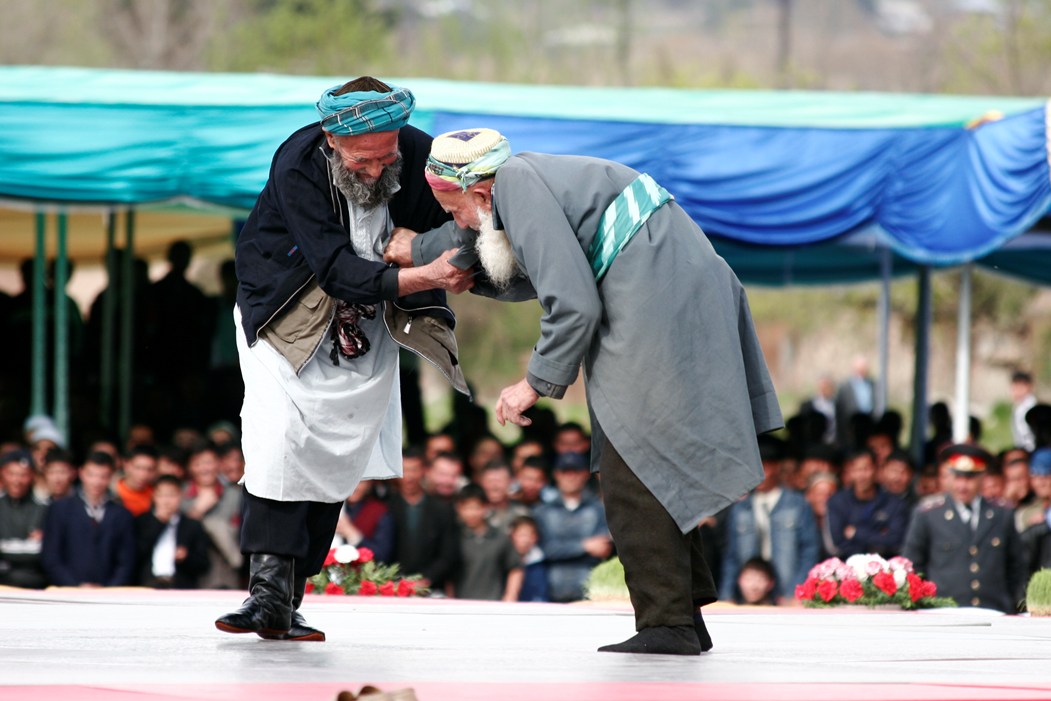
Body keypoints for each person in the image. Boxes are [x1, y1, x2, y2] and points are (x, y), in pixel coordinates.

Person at [387, 127, 782, 655]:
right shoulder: (518, 182)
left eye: (453, 210)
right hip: (665, 283)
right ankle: (680, 614)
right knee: (646, 453)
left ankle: (667, 624)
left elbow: (572, 302)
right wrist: (421, 250)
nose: (456, 222)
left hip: (656, 293)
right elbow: (502, 255)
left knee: (630, 456)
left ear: (479, 193)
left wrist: (533, 383)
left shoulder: (516, 186)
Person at [215, 77, 474, 642]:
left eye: (387, 157)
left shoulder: (420, 154)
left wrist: (429, 250)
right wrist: (425, 273)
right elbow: (333, 267)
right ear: (332, 140)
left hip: (371, 320)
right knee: (278, 437)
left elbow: (460, 221)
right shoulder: (298, 164)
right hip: (287, 312)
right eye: (362, 160)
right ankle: (266, 591)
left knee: (337, 453)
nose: (377, 171)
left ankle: (288, 598)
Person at [902, 444, 1026, 613]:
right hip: (942, 612)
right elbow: (913, 566)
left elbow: (1017, 568)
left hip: (994, 611)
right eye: (957, 477)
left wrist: (1013, 604)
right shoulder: (928, 514)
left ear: (983, 477)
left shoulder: (1002, 514)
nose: (962, 486)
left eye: (970, 478)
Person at [720, 436, 820, 605]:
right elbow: (731, 556)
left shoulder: (797, 504)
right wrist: (727, 594)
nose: (758, 474)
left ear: (777, 467)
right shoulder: (740, 509)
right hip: (749, 596)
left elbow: (809, 552)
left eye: (764, 468)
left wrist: (797, 591)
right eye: (754, 468)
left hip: (787, 593)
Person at [40, 451, 136, 587]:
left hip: (110, 592)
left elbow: (126, 561)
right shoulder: (60, 509)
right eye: (91, 475)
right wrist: (75, 586)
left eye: (103, 476)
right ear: (81, 473)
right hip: (67, 590)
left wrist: (109, 589)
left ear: (111, 477)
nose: (96, 482)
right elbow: (51, 556)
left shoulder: (122, 514)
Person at [531, 451, 613, 603]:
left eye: (575, 471)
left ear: (585, 474)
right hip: (550, 591)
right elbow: (545, 550)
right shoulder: (541, 511)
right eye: (565, 472)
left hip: (590, 591)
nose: (570, 477)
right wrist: (585, 546)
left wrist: (562, 549)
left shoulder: (599, 509)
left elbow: (602, 549)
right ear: (556, 475)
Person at [388, 450, 461, 593]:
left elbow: (449, 554)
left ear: (424, 471)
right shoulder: (387, 507)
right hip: (392, 586)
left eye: (414, 470)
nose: (409, 476)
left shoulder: (442, 509)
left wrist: (426, 579)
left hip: (432, 588)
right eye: (404, 470)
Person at [826, 448, 909, 559]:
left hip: (885, 564)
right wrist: (876, 539)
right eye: (856, 470)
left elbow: (895, 540)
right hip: (847, 564)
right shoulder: (837, 501)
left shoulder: (894, 503)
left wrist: (856, 533)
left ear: (876, 469)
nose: (861, 475)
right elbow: (838, 541)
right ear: (849, 472)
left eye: (866, 469)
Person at [135, 475, 211, 588]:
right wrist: (158, 523)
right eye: (161, 495)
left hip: (180, 587)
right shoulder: (142, 521)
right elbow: (135, 555)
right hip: (148, 585)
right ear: (154, 496)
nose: (166, 501)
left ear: (181, 495)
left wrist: (186, 557)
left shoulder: (192, 525)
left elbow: (203, 564)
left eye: (171, 495)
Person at [452, 484, 523, 601]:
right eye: (466, 508)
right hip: (461, 603)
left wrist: (510, 596)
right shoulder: (454, 538)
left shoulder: (500, 537)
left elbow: (515, 568)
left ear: (486, 507)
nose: (471, 513)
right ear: (458, 509)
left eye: (476, 508)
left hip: (494, 602)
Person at [0, 449, 48, 588]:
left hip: (33, 581)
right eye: (11, 474)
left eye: (23, 475)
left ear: (32, 476)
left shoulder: (44, 508)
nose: (17, 481)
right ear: (2, 473)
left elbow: (42, 552)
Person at [835, 355, 876, 449]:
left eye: (864, 369)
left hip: (868, 425)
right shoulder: (845, 387)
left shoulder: (873, 384)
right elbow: (840, 411)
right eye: (860, 369)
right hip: (850, 428)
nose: (862, 371)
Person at [509, 515, 549, 602]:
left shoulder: (539, 562)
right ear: (512, 535)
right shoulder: (503, 560)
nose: (525, 540)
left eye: (530, 535)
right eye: (521, 535)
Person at [115, 445, 159, 517]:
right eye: (138, 468)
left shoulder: (157, 496)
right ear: (126, 465)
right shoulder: (111, 493)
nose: (143, 475)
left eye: (149, 469)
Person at [1010, 371, 1038, 452]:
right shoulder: (1018, 407)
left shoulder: (1030, 407)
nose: (1017, 390)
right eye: (1015, 387)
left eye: (1020, 387)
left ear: (1029, 387)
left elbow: (1027, 436)